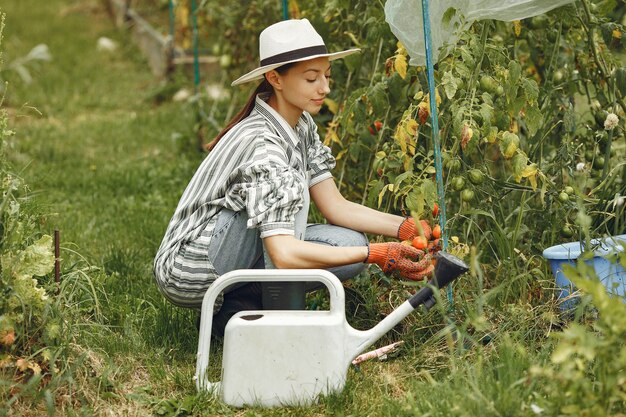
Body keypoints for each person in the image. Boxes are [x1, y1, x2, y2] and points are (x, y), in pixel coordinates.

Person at [153, 18, 437, 336]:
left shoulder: (300, 125)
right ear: (275, 78)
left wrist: (403, 228)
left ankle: (238, 308)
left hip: (232, 250)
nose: (325, 88)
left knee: (350, 246)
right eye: (311, 78)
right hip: (189, 268)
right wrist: (377, 254)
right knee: (325, 234)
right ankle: (273, 323)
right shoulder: (262, 143)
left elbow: (336, 207)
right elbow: (284, 253)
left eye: (326, 76)